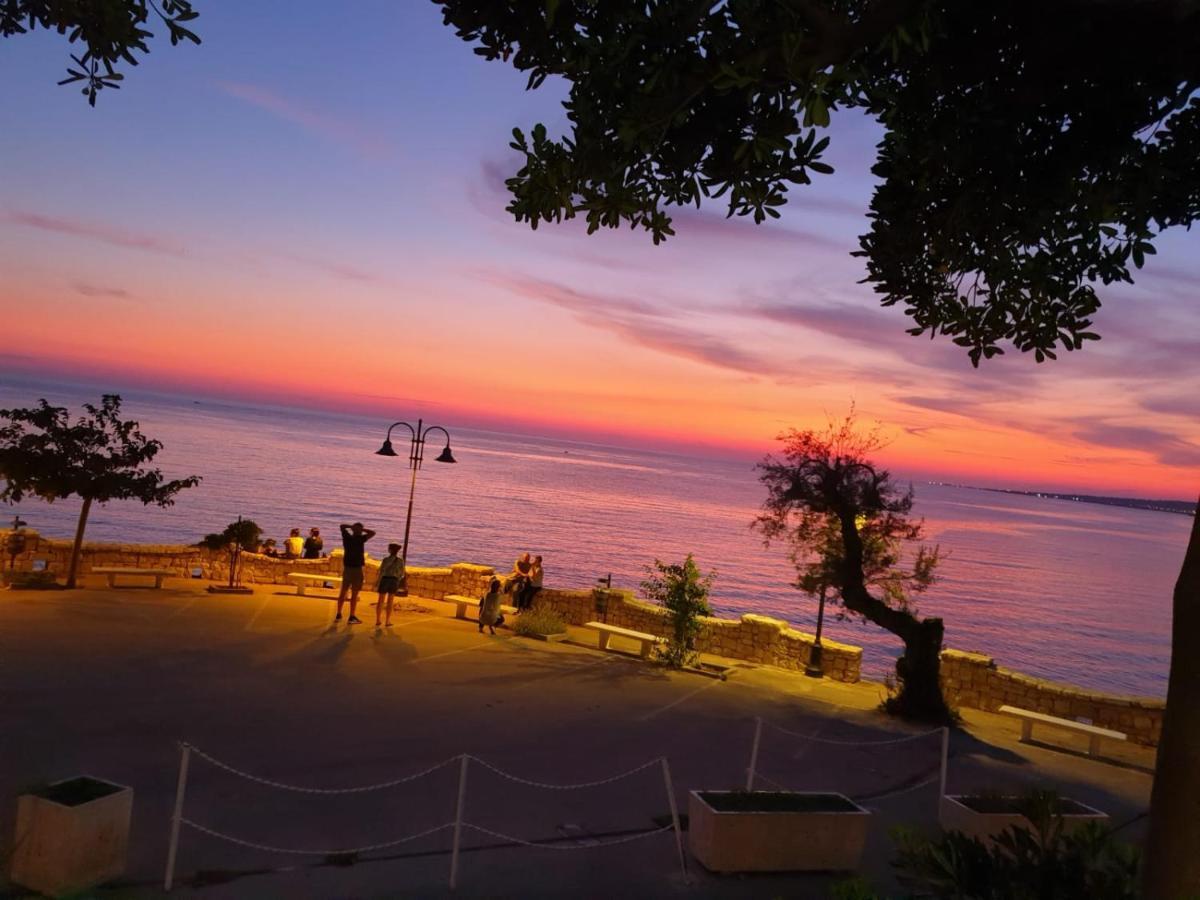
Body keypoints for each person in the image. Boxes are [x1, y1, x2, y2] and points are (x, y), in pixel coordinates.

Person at [335, 522, 375, 624]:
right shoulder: (360, 539)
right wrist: (361, 530)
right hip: (357, 570)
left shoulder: (347, 538)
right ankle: (352, 616)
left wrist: (353, 528)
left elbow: (342, 526)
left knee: (343, 592)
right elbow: (373, 533)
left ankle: (338, 614)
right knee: (354, 594)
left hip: (347, 569)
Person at [375, 542, 405, 628]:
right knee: (390, 602)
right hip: (394, 581)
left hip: (385, 579)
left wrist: (377, 582)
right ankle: (387, 621)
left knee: (380, 601)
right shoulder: (400, 561)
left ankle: (378, 620)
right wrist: (397, 579)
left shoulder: (385, 560)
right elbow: (402, 573)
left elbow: (381, 571)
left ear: (390, 550)